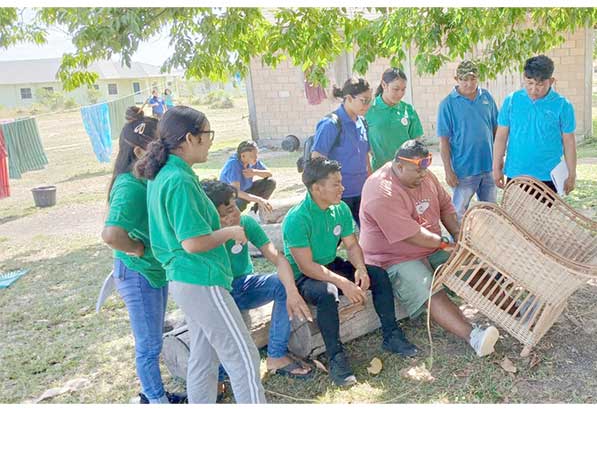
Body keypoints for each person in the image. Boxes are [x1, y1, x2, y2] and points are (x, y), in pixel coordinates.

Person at [136, 105, 265, 404]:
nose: (210, 141)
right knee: (244, 358)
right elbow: (193, 242)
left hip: (185, 280)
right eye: (208, 134)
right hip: (201, 278)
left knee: (203, 360)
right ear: (190, 138)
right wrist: (230, 232)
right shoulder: (179, 180)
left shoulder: (165, 173)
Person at [282, 157, 419, 387]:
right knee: (327, 293)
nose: (342, 188)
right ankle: (336, 357)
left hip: (331, 264)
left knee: (378, 275)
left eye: (341, 182)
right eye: (335, 184)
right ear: (316, 188)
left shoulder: (341, 209)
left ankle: (391, 336)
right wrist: (343, 284)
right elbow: (307, 266)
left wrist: (361, 268)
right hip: (305, 275)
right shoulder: (296, 219)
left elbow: (352, 245)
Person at [359, 140, 500, 357]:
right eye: (417, 171)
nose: (423, 175)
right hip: (393, 256)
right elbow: (413, 235)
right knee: (429, 288)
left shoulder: (424, 176)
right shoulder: (380, 190)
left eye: (425, 170)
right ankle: (474, 337)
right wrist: (445, 244)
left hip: (431, 244)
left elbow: (446, 207)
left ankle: (519, 314)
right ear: (399, 166)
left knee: (470, 268)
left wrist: (459, 238)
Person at [100, 106, 186, 404]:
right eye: (158, 147)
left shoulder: (149, 177)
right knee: (148, 344)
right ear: (138, 151)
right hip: (139, 274)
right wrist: (138, 249)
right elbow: (111, 234)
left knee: (154, 338)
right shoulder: (128, 186)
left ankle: (155, 393)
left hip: (154, 269)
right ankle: (155, 399)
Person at [200, 179, 313, 380]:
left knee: (282, 284)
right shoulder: (202, 235)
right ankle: (218, 375)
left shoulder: (246, 223)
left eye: (234, 207)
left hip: (243, 284)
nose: (233, 215)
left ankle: (276, 355)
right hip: (217, 293)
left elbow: (277, 258)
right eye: (224, 214)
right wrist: (224, 234)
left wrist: (292, 291)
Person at [492, 55, 577, 195]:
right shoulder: (512, 101)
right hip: (517, 173)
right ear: (524, 78)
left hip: (549, 176)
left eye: (540, 84)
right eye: (529, 83)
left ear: (551, 81)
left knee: (544, 216)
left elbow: (569, 142)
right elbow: (501, 137)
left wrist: (572, 174)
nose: (533, 89)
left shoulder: (563, 105)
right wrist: (496, 167)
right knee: (515, 216)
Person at [437, 60, 499, 220]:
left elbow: (496, 129)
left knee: (490, 211)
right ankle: (458, 243)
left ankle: (487, 243)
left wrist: (498, 159)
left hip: (488, 168)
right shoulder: (448, 104)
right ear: (456, 78)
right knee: (458, 212)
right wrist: (448, 170)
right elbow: (444, 141)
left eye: (473, 79)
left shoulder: (486, 97)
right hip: (463, 170)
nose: (469, 83)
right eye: (464, 79)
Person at [310, 77, 372, 227]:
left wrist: (370, 183)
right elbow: (317, 158)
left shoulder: (362, 122)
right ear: (349, 98)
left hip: (361, 191)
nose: (368, 105)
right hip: (338, 194)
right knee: (334, 238)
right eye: (364, 100)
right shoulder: (331, 124)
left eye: (370, 101)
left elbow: (365, 156)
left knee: (368, 235)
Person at [364, 67, 424, 171]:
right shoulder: (368, 110)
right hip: (379, 171)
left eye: (403, 89)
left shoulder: (408, 110)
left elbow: (416, 142)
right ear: (384, 85)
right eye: (396, 89)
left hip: (406, 172)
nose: (400, 94)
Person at [219, 140, 276, 218]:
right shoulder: (233, 165)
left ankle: (255, 211)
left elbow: (269, 173)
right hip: (230, 197)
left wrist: (255, 172)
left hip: (246, 190)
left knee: (270, 182)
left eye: (256, 155)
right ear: (243, 156)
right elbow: (236, 192)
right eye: (253, 156)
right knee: (239, 202)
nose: (256, 158)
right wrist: (258, 199)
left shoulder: (253, 161)